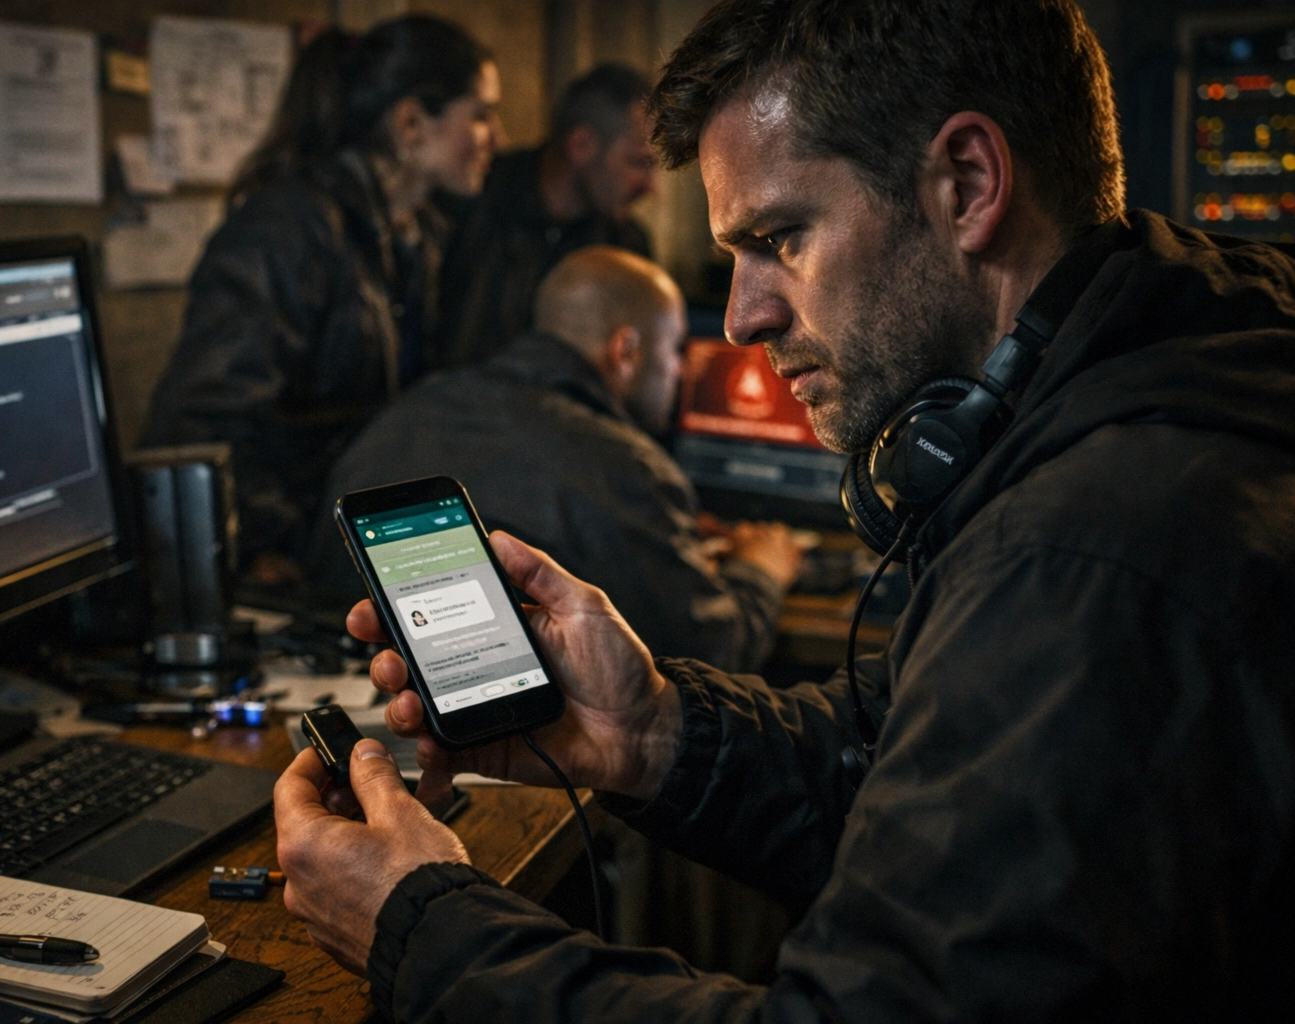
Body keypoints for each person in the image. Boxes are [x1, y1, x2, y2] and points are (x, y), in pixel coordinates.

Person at [274, 0, 1295, 1018]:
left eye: (779, 237)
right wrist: (654, 733)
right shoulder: (1175, 371)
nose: (741, 317)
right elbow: (926, 785)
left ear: (968, 183)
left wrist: (422, 929)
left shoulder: (1084, 558)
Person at [307, 246, 798, 673]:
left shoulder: (411, 409)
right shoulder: (626, 467)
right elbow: (712, 654)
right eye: (674, 348)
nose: (680, 371)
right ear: (626, 351)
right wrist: (761, 571)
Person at [141, 18, 503, 573]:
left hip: (352, 538)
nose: (497, 138)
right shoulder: (287, 230)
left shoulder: (420, 236)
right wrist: (267, 546)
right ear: (410, 123)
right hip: (282, 557)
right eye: (480, 115)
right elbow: (202, 417)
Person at [435, 64, 659, 367]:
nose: (651, 187)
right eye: (638, 162)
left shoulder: (626, 248)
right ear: (581, 145)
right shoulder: (468, 204)